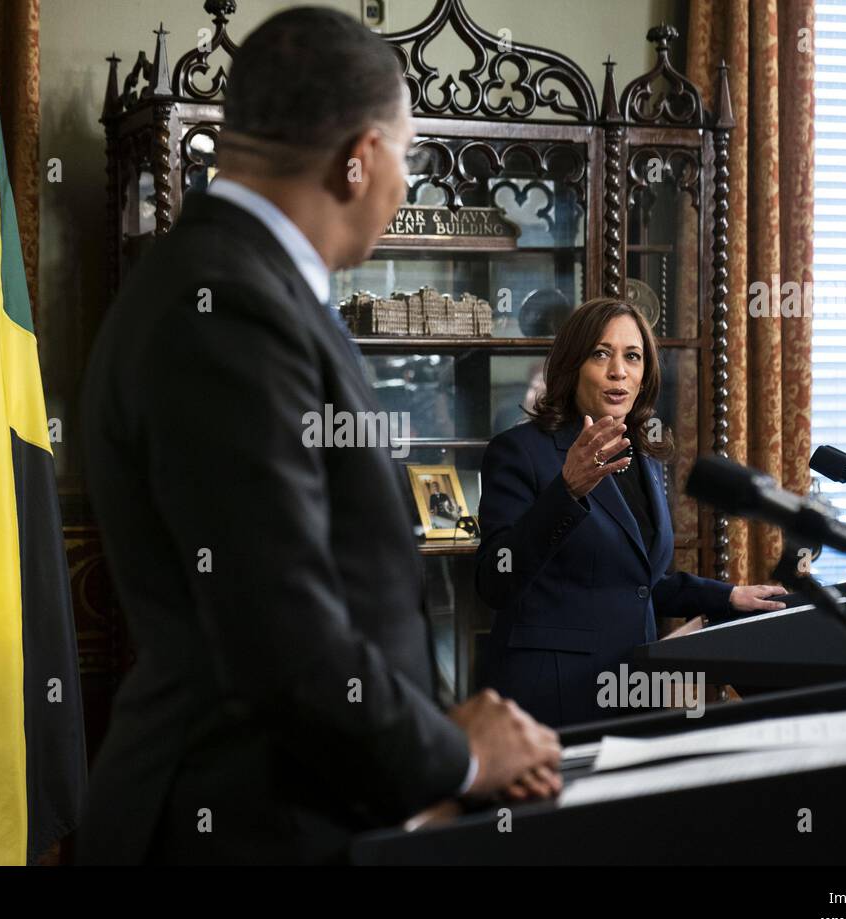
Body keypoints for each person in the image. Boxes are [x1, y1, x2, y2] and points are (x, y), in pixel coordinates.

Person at [77, 8, 561, 865]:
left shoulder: (243, 284)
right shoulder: (223, 307)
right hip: (237, 823)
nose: (406, 184)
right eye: (407, 155)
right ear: (360, 157)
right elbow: (281, 630)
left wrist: (438, 747)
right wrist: (460, 755)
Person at [474, 297, 788, 728]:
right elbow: (496, 580)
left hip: (633, 688)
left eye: (632, 356)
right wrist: (566, 491)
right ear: (571, 366)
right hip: (551, 696)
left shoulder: (644, 457)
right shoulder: (520, 452)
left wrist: (725, 596)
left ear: (645, 374)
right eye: (600, 354)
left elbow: (636, 583)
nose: (618, 370)